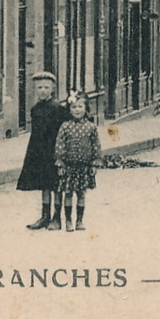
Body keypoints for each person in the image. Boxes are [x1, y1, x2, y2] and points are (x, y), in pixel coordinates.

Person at [18, 71, 69, 229]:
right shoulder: (35, 109)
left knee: (56, 185)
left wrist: (62, 153)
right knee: (43, 184)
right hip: (39, 151)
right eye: (39, 87)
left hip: (54, 151)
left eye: (46, 87)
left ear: (52, 89)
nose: (42, 90)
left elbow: (64, 132)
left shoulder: (58, 108)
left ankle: (57, 218)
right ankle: (44, 216)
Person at [54, 93, 101, 233]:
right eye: (74, 107)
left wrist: (94, 164)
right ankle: (68, 220)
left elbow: (96, 146)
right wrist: (60, 163)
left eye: (80, 106)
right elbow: (59, 145)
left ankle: (79, 220)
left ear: (86, 108)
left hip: (84, 166)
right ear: (69, 109)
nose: (77, 110)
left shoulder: (91, 127)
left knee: (81, 193)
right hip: (69, 166)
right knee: (68, 193)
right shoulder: (65, 126)